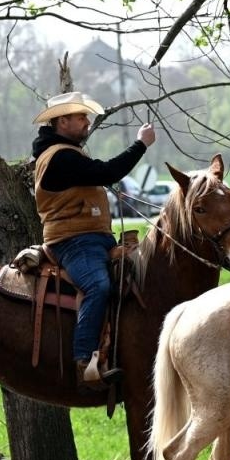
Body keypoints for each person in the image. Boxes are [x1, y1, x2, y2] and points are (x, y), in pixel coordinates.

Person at [32, 91, 156, 388]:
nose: (87, 121)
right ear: (63, 121)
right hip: (73, 241)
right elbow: (107, 172)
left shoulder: (66, 153)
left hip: (92, 240)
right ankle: (84, 360)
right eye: (81, 117)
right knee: (97, 286)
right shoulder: (60, 156)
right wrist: (141, 144)